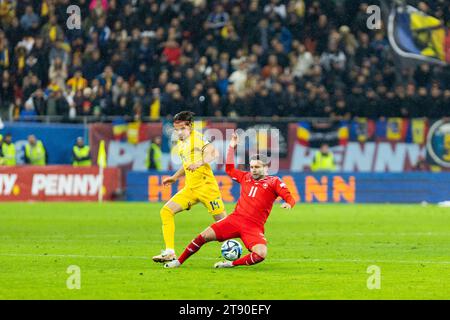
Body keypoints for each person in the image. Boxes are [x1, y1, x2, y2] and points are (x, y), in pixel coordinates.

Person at [164, 131, 296, 269]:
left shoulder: (274, 181)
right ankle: (178, 262)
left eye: (257, 167)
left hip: (253, 226)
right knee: (202, 237)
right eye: (251, 167)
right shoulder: (245, 177)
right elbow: (229, 169)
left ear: (266, 168)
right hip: (234, 220)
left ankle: (230, 264)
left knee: (261, 254)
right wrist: (231, 146)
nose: (254, 170)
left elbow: (290, 197)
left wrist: (288, 203)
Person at [152, 111, 227, 263]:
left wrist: (200, 162)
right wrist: (174, 177)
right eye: (176, 129)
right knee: (166, 211)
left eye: (182, 129)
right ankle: (170, 252)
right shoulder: (181, 143)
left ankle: (244, 246)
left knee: (225, 225)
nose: (179, 132)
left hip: (207, 187)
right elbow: (186, 164)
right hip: (191, 189)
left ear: (190, 127)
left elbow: (213, 153)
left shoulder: (197, 138)